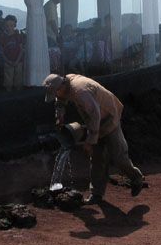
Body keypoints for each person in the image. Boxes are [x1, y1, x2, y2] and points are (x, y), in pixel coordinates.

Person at [43, 73, 144, 204]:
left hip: (109, 118)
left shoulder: (80, 91)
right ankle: (96, 194)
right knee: (97, 159)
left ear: (61, 87)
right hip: (94, 120)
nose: (56, 96)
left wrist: (90, 141)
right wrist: (59, 117)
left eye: (56, 93)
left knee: (119, 156)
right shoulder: (64, 84)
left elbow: (95, 115)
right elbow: (60, 102)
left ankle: (136, 177)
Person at [0, 15, 24, 91]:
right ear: (4, 26)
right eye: (7, 26)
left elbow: (21, 50)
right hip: (8, 62)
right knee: (8, 83)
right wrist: (7, 61)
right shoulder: (3, 37)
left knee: (18, 82)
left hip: (18, 62)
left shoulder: (18, 36)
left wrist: (17, 61)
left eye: (11, 25)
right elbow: (2, 51)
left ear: (15, 25)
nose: (9, 27)